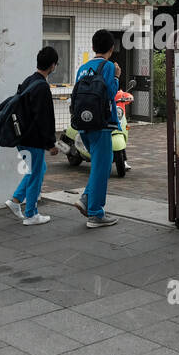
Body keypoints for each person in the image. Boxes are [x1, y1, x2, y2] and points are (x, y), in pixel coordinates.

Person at [5, 46, 60, 226]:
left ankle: (15, 201)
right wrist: (50, 143)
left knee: (37, 169)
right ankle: (31, 214)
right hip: (33, 139)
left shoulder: (29, 80)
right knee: (36, 173)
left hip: (21, 137)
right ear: (53, 65)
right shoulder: (42, 87)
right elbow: (44, 118)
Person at [75, 30, 120, 229]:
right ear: (112, 48)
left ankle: (86, 197)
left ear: (93, 47)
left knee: (100, 165)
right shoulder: (109, 66)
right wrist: (117, 77)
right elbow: (111, 92)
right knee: (102, 167)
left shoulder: (83, 68)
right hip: (101, 125)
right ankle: (95, 214)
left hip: (83, 124)